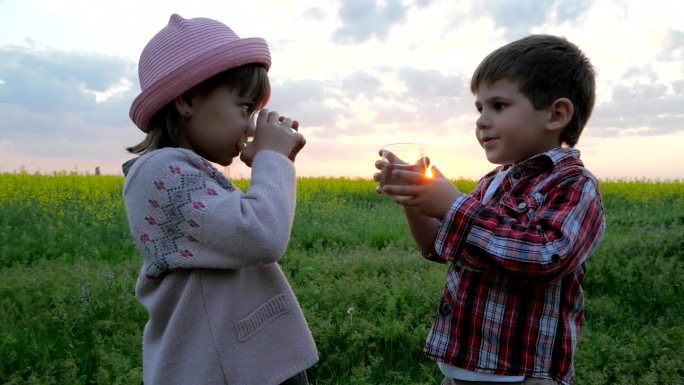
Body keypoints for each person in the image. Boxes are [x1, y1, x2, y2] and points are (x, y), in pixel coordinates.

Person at [374, 34, 606, 385]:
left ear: (556, 114)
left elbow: (546, 255)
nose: (482, 121)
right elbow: (437, 246)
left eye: (498, 106)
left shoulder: (574, 185)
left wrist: (452, 204)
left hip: (525, 375)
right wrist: (416, 200)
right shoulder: (493, 182)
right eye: (479, 108)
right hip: (463, 368)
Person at [122, 14, 317, 385]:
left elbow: (244, 229)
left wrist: (274, 161)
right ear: (187, 100)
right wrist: (272, 160)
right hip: (223, 371)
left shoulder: (183, 172)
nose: (250, 126)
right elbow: (261, 235)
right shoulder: (161, 174)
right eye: (245, 108)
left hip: (242, 364)